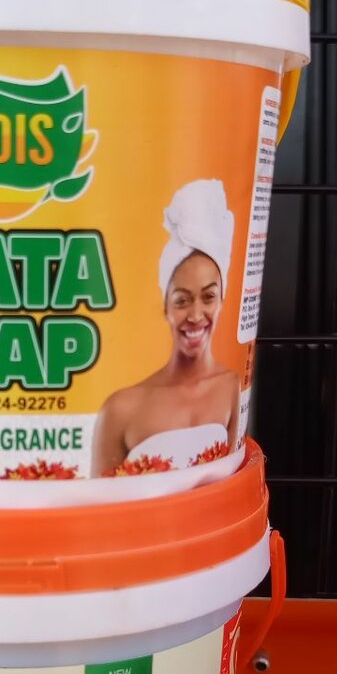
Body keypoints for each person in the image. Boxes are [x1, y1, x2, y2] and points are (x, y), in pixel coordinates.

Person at [92, 179, 241, 477]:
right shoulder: (121, 409)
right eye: (182, 300)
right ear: (166, 307)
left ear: (222, 300)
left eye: (208, 297)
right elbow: (97, 502)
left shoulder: (231, 387)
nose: (196, 315)